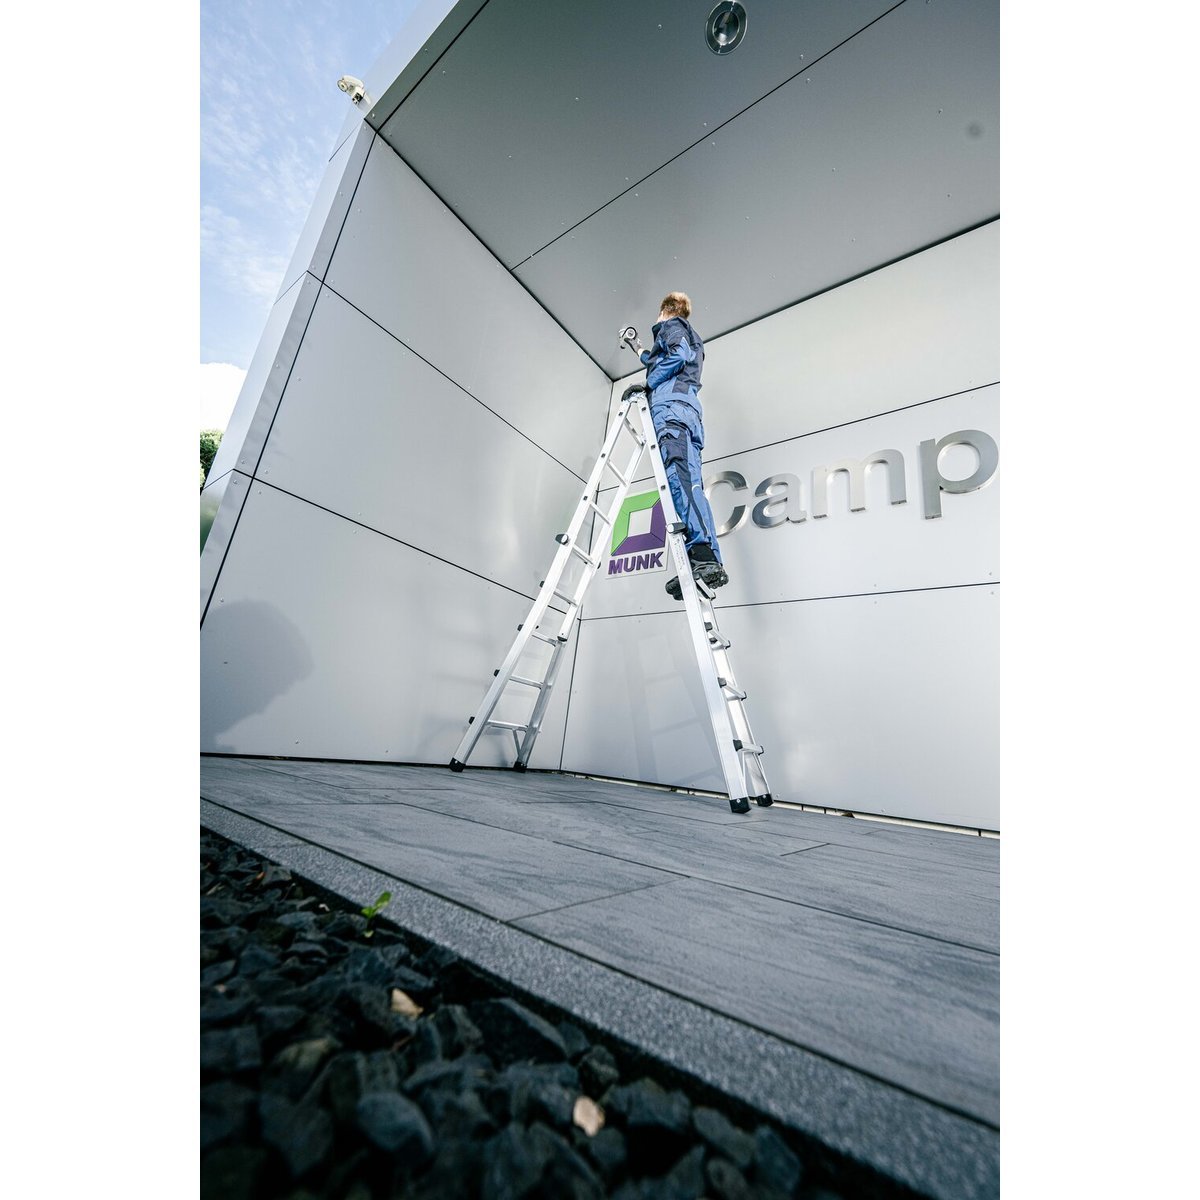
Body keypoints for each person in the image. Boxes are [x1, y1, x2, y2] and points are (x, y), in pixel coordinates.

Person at [638, 292, 728, 599]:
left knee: (680, 482)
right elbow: (659, 359)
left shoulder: (672, 326)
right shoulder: (688, 335)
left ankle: (701, 552)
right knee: (691, 485)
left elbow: (677, 354)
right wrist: (638, 349)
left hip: (672, 412)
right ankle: (704, 559)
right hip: (685, 412)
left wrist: (649, 384)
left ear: (665, 310)